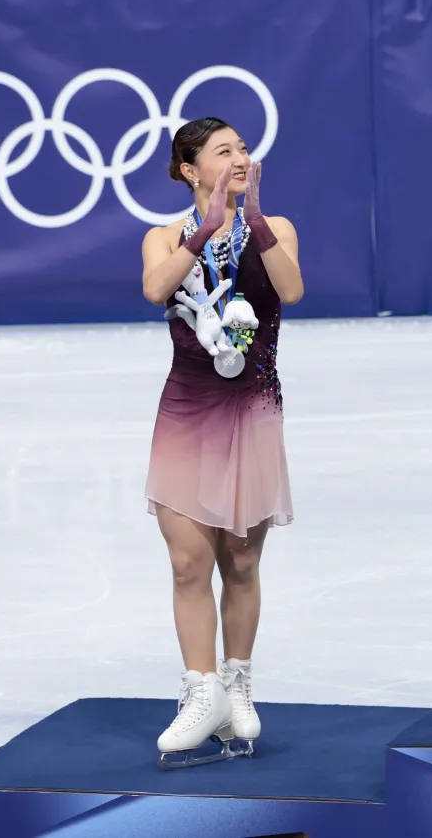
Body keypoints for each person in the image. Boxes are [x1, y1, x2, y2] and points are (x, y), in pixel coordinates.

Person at [139, 116, 303, 765]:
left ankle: (236, 685)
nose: (240, 157)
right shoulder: (162, 237)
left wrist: (252, 221)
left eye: (242, 148)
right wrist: (204, 229)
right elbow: (156, 288)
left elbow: (290, 287)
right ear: (189, 169)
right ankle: (200, 691)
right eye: (222, 150)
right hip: (186, 410)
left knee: (240, 561)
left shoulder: (276, 230)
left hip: (253, 410)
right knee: (187, 563)